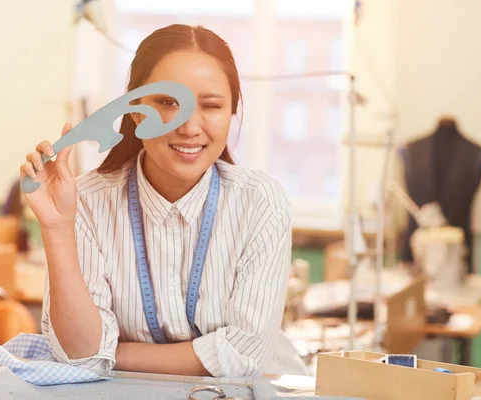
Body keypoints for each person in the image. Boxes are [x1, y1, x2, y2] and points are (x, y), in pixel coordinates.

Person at [20, 24, 308, 378]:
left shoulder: (260, 202)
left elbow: (243, 358)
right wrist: (57, 226)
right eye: (169, 103)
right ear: (136, 110)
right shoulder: (88, 203)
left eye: (212, 105)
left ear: (232, 112)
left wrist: (114, 353)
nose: (189, 127)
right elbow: (82, 356)